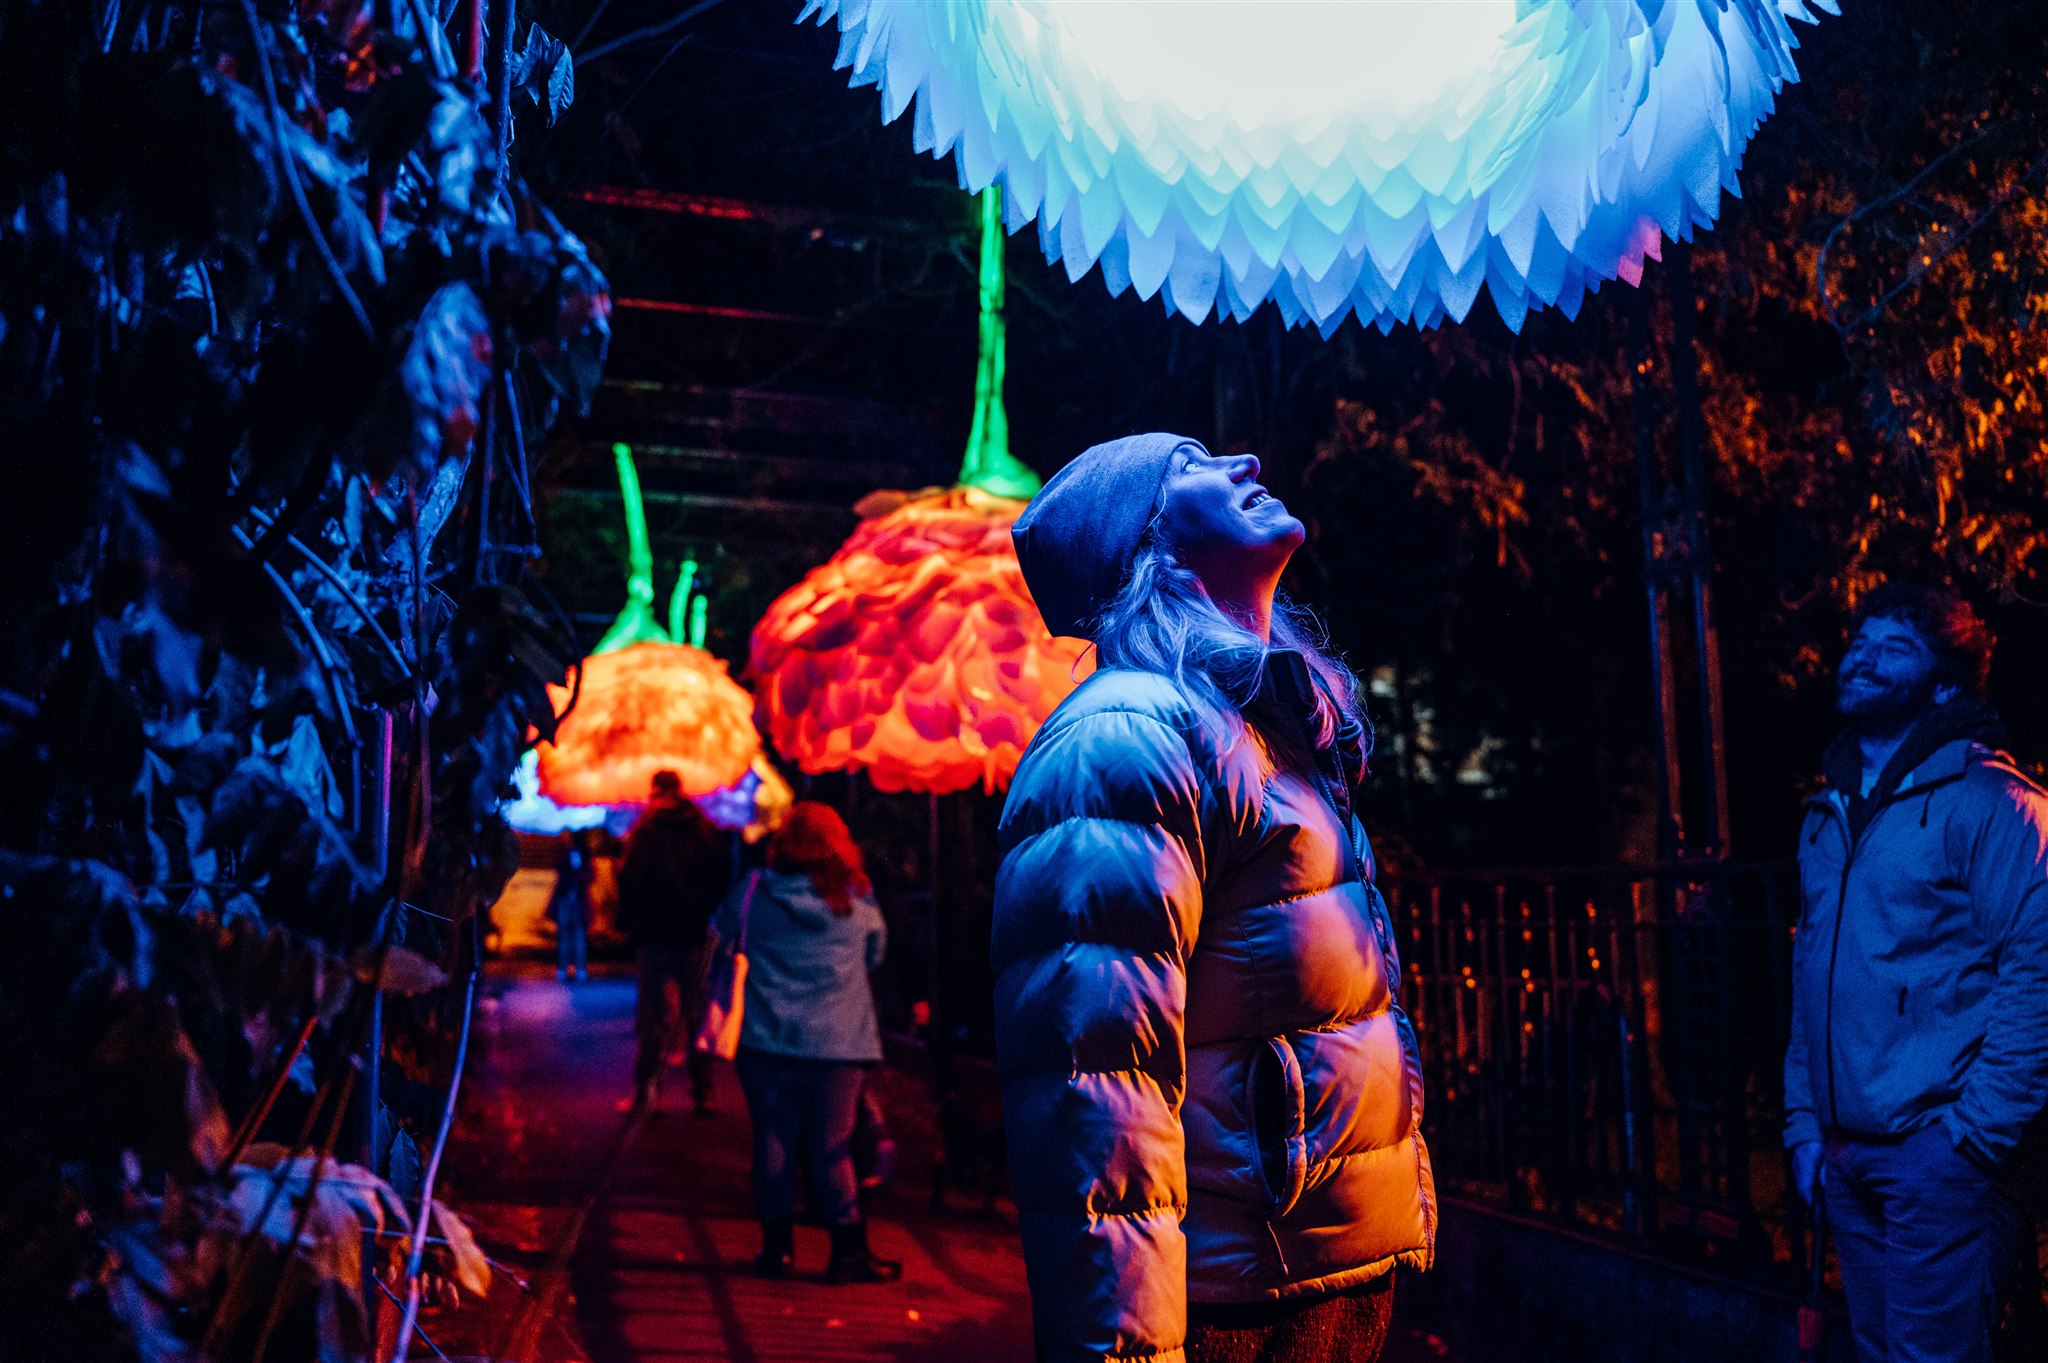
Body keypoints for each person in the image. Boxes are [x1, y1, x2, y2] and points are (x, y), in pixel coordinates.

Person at [996, 433, 1434, 1363]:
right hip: (1238, 1300)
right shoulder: (1125, 735)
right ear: (1151, 542)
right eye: (1189, 463)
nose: (1240, 460)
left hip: (1326, 1273)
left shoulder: (1255, 727)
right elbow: (1101, 1081)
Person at [1783, 583, 2048, 1363]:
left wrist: (1968, 1138)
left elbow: (2038, 972)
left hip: (1938, 1151)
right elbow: (1811, 974)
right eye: (1860, 642)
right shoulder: (1826, 812)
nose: (1863, 656)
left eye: (1894, 647)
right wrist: (1804, 1127)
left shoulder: (1993, 802)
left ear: (1945, 681)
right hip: (1845, 1151)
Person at [717, 801, 899, 1284]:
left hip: (763, 1037)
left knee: (772, 1138)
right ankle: (847, 1253)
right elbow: (875, 954)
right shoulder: (857, 894)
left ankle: (776, 1251)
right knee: (831, 1146)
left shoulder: (754, 890)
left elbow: (719, 935)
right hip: (838, 1042)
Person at [616, 769, 730, 1115]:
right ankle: (703, 1091)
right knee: (695, 1014)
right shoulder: (704, 828)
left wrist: (634, 923)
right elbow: (722, 874)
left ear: (655, 792)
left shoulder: (645, 830)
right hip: (693, 933)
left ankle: (648, 1093)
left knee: (653, 1018)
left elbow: (630, 879)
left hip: (655, 934)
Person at [548, 830, 593, 983]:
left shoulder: (584, 855)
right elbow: (560, 870)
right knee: (566, 937)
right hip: (566, 900)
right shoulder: (565, 854)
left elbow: (589, 876)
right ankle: (565, 969)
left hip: (577, 900)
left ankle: (578, 969)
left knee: (577, 937)